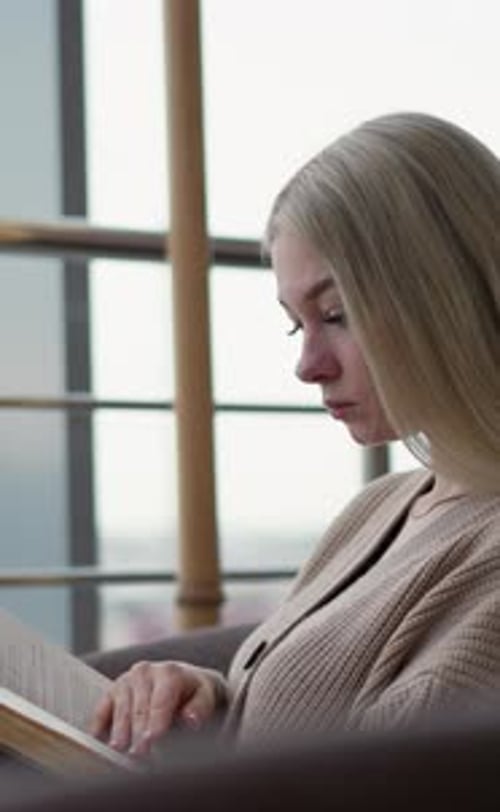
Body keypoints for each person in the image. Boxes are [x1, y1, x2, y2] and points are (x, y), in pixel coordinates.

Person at [90, 111, 500, 757]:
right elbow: (311, 715)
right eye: (296, 325)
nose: (308, 365)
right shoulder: (383, 506)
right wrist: (206, 696)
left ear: (445, 294)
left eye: (337, 315)